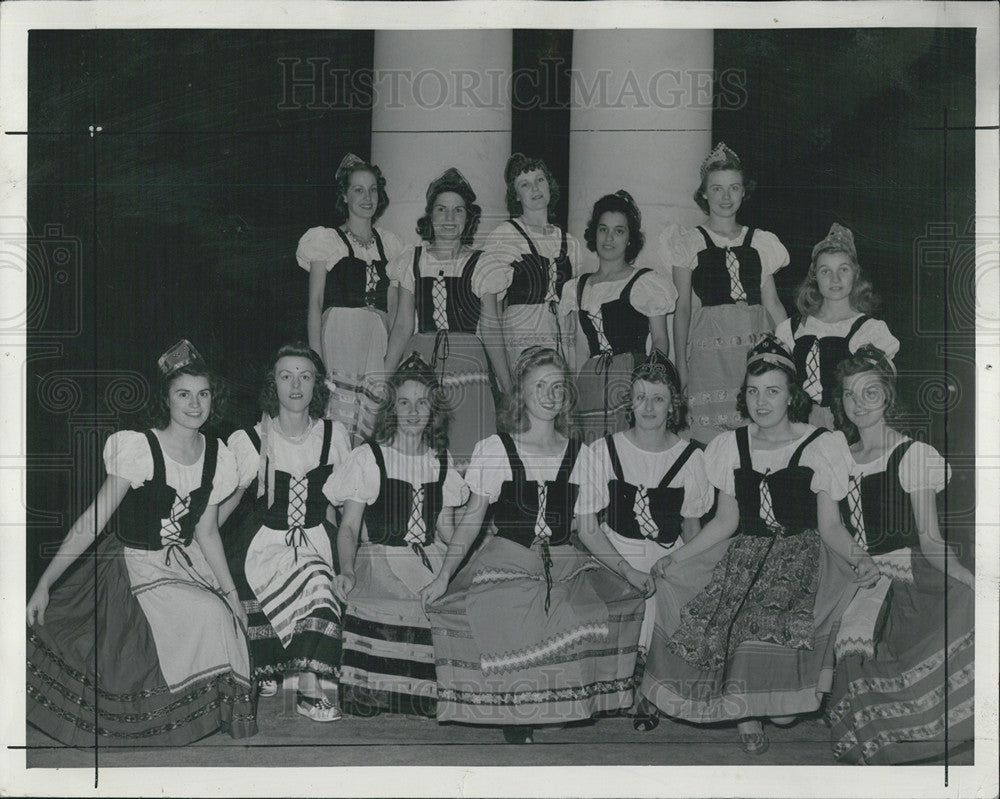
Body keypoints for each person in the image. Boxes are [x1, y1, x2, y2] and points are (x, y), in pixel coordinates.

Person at [641, 336, 874, 755]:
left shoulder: (821, 445)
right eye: (752, 391)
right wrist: (676, 555)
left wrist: (861, 560)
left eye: (772, 391)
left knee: (785, 711)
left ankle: (766, 706)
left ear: (791, 396)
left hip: (798, 561)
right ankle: (745, 715)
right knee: (732, 631)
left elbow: (831, 527)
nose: (760, 401)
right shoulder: (729, 446)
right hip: (743, 560)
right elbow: (725, 522)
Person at [26, 340, 256, 746]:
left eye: (203, 394)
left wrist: (231, 592)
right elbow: (93, 521)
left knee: (225, 614)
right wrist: (45, 583)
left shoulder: (217, 456)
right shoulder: (140, 448)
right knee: (204, 616)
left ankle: (194, 717)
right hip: (134, 563)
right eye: (183, 394)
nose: (194, 404)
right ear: (165, 399)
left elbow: (206, 531)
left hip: (184, 561)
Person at [421, 347, 646, 744]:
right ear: (520, 394)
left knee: (581, 610)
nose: (549, 394)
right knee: (507, 609)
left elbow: (590, 531)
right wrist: (443, 577)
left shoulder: (582, 456)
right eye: (538, 385)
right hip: (508, 557)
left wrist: (629, 571)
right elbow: (472, 519)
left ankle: (555, 700)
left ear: (566, 396)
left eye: (557, 386)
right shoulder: (496, 449)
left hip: (561, 561)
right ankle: (515, 709)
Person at [826, 346, 974, 764]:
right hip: (848, 568)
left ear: (888, 395)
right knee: (854, 647)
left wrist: (966, 575)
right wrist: (858, 561)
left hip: (905, 567)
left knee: (966, 603)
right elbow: (831, 527)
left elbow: (930, 538)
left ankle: (920, 732)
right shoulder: (835, 453)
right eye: (850, 394)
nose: (858, 403)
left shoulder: (912, 455)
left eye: (869, 392)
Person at [575, 349, 714, 730]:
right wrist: (626, 569)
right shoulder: (603, 451)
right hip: (612, 550)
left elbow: (691, 529)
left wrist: (688, 571)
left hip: (666, 555)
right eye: (640, 397)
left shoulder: (692, 457)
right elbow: (587, 528)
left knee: (671, 598)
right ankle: (604, 684)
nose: (648, 407)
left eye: (658, 399)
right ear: (629, 402)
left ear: (673, 406)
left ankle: (650, 690)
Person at [324, 354, 469, 717]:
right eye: (404, 402)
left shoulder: (441, 460)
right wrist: (348, 569)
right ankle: (381, 692)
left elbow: (446, 529)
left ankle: (442, 694)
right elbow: (349, 527)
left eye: (422, 402)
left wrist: (469, 564)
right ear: (392, 408)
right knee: (406, 601)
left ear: (433, 409)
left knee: (459, 601)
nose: (414, 411)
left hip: (429, 553)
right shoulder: (370, 458)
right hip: (381, 555)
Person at [218, 343, 351, 722]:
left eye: (305, 376)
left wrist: (348, 559)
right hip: (263, 541)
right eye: (286, 376)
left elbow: (339, 508)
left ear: (316, 386)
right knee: (262, 581)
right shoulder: (250, 439)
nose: (296, 385)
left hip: (314, 538)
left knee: (319, 581)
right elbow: (229, 502)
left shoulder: (333, 435)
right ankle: (269, 664)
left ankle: (310, 691)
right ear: (272, 383)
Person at [660, 142, 789, 444]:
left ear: (744, 191)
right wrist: (682, 368)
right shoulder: (689, 241)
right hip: (710, 353)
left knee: (756, 433)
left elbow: (772, 303)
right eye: (717, 189)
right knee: (711, 440)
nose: (726, 197)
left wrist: (789, 351)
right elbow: (682, 311)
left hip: (755, 346)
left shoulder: (761, 241)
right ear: (704, 193)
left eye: (733, 188)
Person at [383, 167, 495, 469]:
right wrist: (384, 378)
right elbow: (403, 325)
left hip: (468, 368)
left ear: (468, 218)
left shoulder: (483, 263)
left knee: (467, 454)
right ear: (430, 217)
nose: (449, 218)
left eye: (458, 211)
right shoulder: (412, 259)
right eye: (441, 210)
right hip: (421, 363)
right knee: (421, 451)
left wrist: (508, 389)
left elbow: (492, 330)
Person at [297, 153, 404, 444]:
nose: (367, 197)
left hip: (375, 341)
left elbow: (394, 309)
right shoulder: (326, 241)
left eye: (372, 189)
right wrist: (316, 362)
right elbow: (315, 304)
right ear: (344, 196)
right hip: (339, 336)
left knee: (371, 426)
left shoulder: (391, 245)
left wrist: (392, 356)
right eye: (358, 189)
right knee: (338, 424)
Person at [561, 190, 676, 443]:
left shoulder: (645, 282)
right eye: (603, 229)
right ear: (594, 234)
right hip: (591, 382)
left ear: (629, 239)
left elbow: (659, 340)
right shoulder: (576, 288)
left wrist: (650, 384)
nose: (609, 238)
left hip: (631, 378)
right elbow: (577, 348)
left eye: (619, 231)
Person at [474, 153, 581, 392]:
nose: (535, 188)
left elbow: (574, 314)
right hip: (522, 343)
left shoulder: (570, 243)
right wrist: (505, 380)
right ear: (516, 195)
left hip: (563, 345)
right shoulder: (505, 236)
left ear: (550, 184)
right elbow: (489, 317)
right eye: (525, 184)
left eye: (540, 180)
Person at [775, 224, 899, 429]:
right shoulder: (791, 328)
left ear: (855, 274)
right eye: (826, 271)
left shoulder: (870, 331)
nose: (835, 279)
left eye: (843, 269)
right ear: (815, 276)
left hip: (848, 429)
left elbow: (876, 395)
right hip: (798, 429)